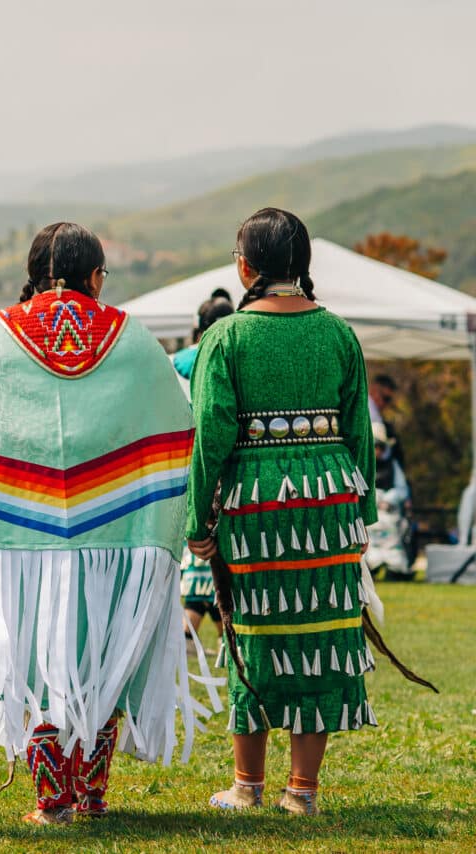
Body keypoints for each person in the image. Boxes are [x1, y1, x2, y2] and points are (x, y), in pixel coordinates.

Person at [0, 222, 218, 826]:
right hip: (118, 537)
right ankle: (91, 792)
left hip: (19, 536)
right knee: (105, 650)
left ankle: (52, 798)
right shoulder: (131, 339)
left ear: (31, 274)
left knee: (34, 657)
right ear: (96, 277)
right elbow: (173, 424)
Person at [186, 208, 378, 816]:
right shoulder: (339, 333)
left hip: (257, 503)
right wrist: (363, 511)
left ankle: (247, 787)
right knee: (318, 633)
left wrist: (198, 520)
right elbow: (359, 433)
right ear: (304, 264)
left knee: (257, 633)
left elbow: (210, 436)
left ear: (246, 266)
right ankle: (304, 791)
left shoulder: (226, 337)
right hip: (330, 500)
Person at [174, 293, 236, 651]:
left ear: (198, 327)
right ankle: (223, 631)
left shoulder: (174, 363)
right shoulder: (233, 355)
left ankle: (203, 629)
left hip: (181, 467)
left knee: (197, 548)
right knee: (222, 549)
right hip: (227, 468)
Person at [365, 422, 412, 580]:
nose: (377, 451)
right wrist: (375, 499)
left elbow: (402, 490)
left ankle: (395, 568)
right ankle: (372, 565)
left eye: (380, 447)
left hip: (390, 515)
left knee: (393, 543)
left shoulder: (392, 466)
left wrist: (389, 499)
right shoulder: (363, 466)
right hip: (371, 516)